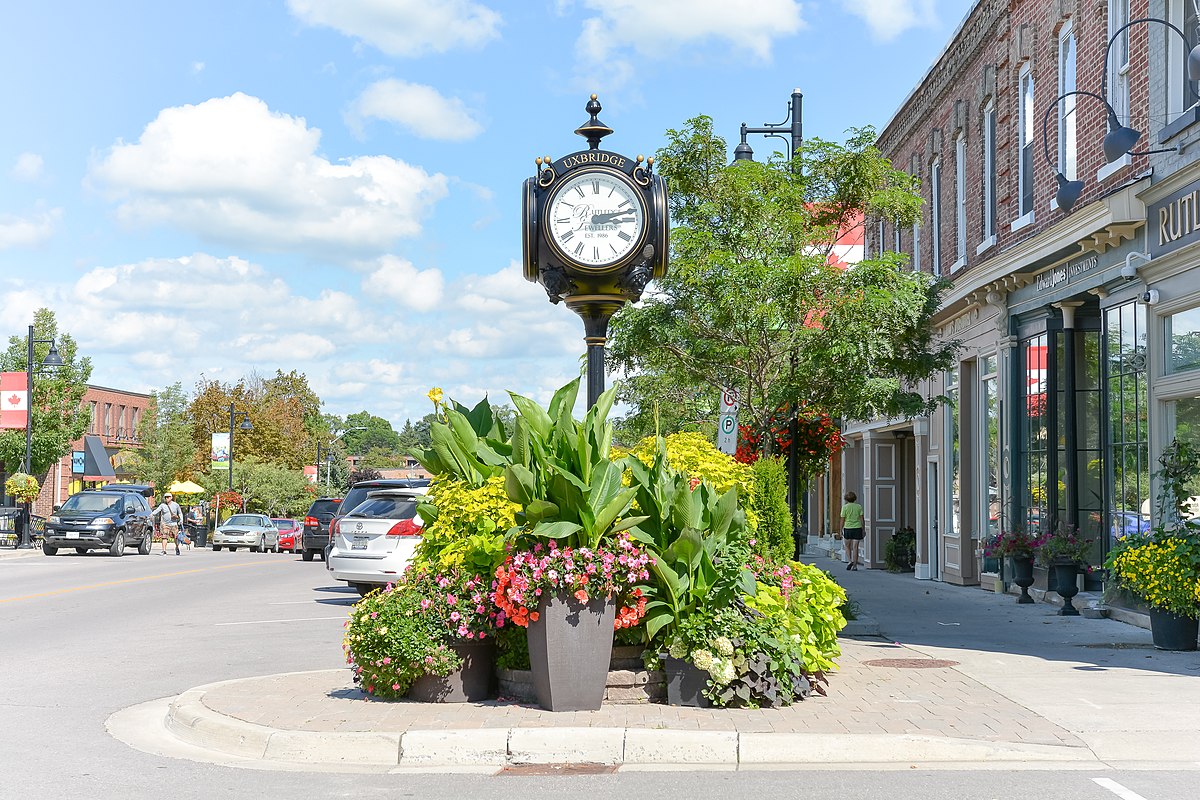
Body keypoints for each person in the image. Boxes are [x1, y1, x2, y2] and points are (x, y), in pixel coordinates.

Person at [840, 491, 865, 570]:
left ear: (846, 499)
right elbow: (862, 519)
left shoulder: (845, 507)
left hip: (848, 528)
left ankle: (850, 561)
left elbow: (842, 519)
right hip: (857, 528)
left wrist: (840, 529)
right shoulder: (858, 507)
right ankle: (855, 565)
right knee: (855, 547)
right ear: (855, 498)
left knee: (847, 546)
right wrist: (863, 529)